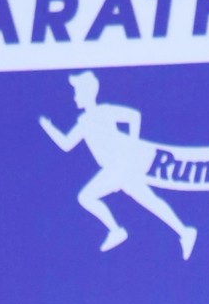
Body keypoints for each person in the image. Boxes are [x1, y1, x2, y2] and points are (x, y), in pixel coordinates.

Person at [38, 74, 198, 260]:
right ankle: (184, 231)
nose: (74, 97)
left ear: (86, 93)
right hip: (116, 168)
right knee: (150, 200)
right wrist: (48, 127)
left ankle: (117, 231)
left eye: (77, 92)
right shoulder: (84, 121)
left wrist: (132, 145)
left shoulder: (104, 111)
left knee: (87, 196)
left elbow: (134, 116)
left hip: (118, 167)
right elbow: (66, 144)